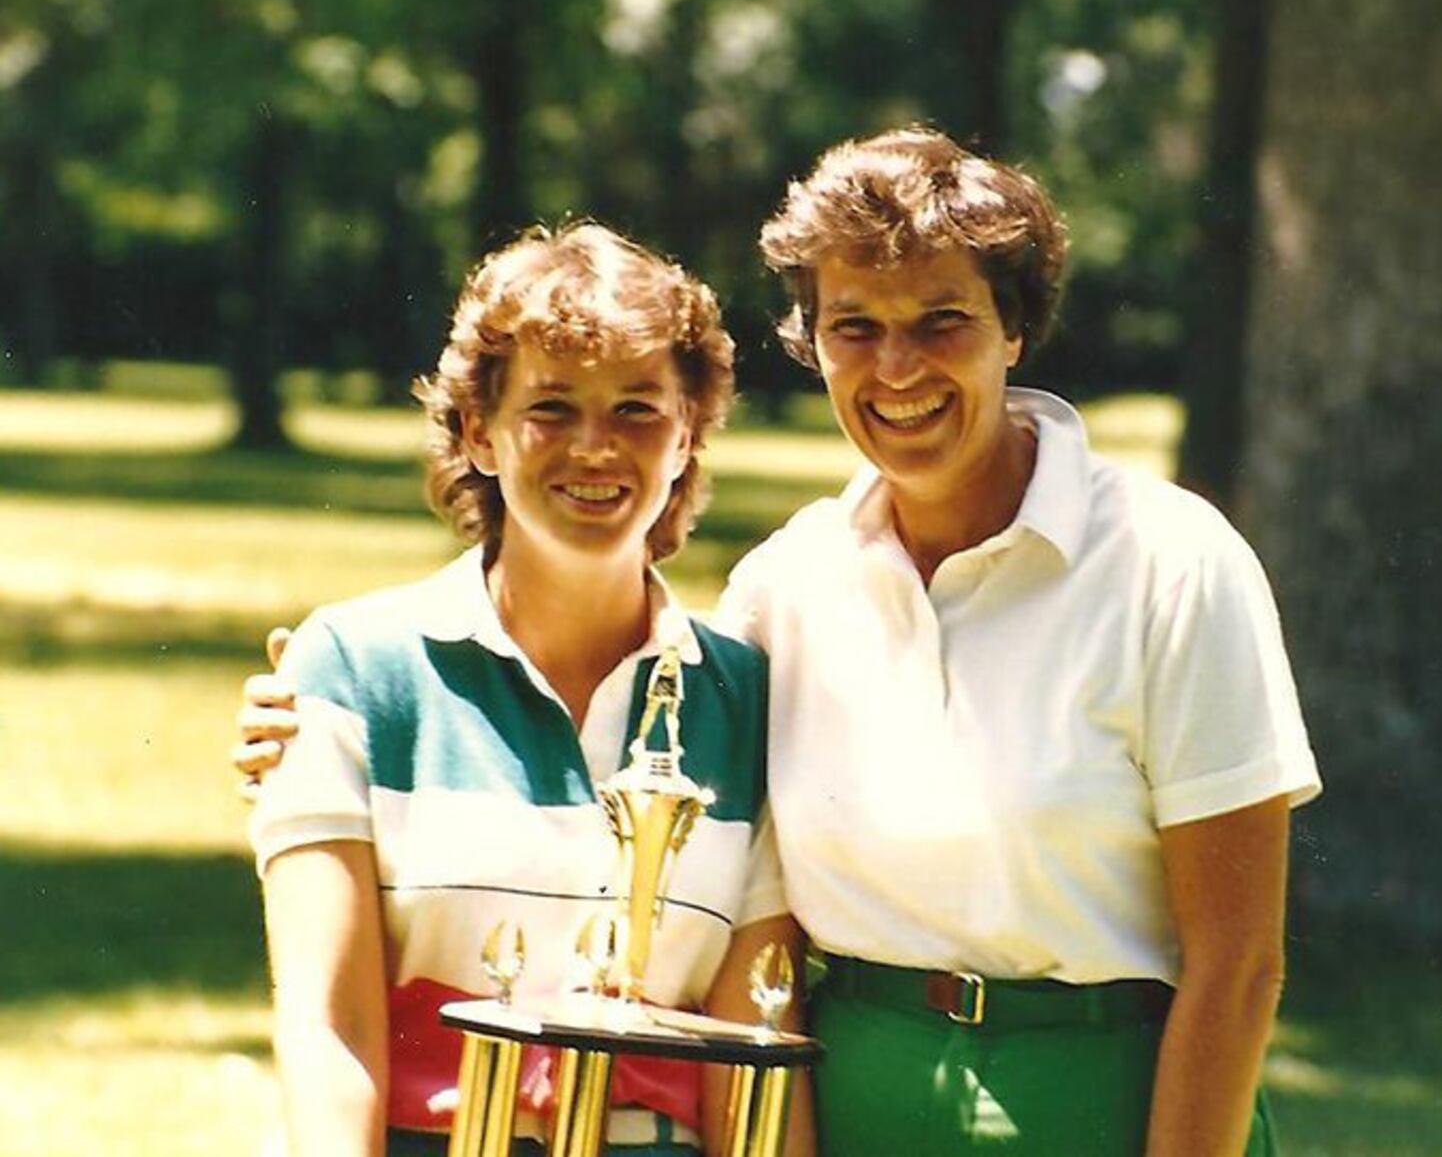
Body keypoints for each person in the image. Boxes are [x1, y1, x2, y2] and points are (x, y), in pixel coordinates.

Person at [240, 128, 1321, 1156]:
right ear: (813, 344)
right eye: (854, 326)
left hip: (1105, 1097)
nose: (896, 367)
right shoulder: (785, 589)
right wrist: (296, 721)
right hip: (854, 1098)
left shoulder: (1169, 562)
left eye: (941, 320)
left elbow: (1239, 964)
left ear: (1014, 330)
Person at [245, 222, 810, 1157]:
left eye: (638, 409)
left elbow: (759, 1056)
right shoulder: (351, 669)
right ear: (481, 432)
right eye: (552, 408)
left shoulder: (745, 699)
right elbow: (329, 1034)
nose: (596, 448)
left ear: (688, 439)